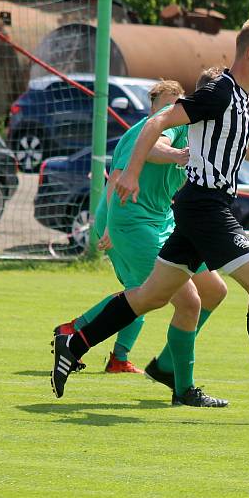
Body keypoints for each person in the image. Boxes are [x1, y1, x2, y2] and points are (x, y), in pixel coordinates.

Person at [52, 16, 249, 412]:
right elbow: (158, 121)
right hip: (206, 207)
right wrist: (134, 172)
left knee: (152, 296)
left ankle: (75, 342)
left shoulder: (245, 98)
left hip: (202, 208)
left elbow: (238, 143)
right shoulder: (219, 92)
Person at [53, 75, 230, 407]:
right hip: (132, 224)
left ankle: (160, 364)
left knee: (212, 290)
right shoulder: (170, 125)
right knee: (160, 298)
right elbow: (135, 164)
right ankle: (77, 336)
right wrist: (103, 224)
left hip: (164, 222)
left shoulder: (203, 129)